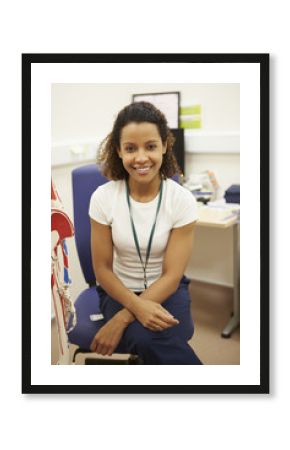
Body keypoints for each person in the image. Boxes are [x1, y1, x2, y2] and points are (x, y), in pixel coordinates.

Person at [89, 101, 202, 364]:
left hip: (166, 289)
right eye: (130, 148)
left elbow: (172, 276)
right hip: (117, 289)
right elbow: (102, 270)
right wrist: (136, 306)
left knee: (149, 337)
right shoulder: (103, 198)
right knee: (147, 338)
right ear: (118, 151)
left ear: (164, 146)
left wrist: (122, 318)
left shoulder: (181, 200)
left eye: (150, 146)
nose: (141, 158)